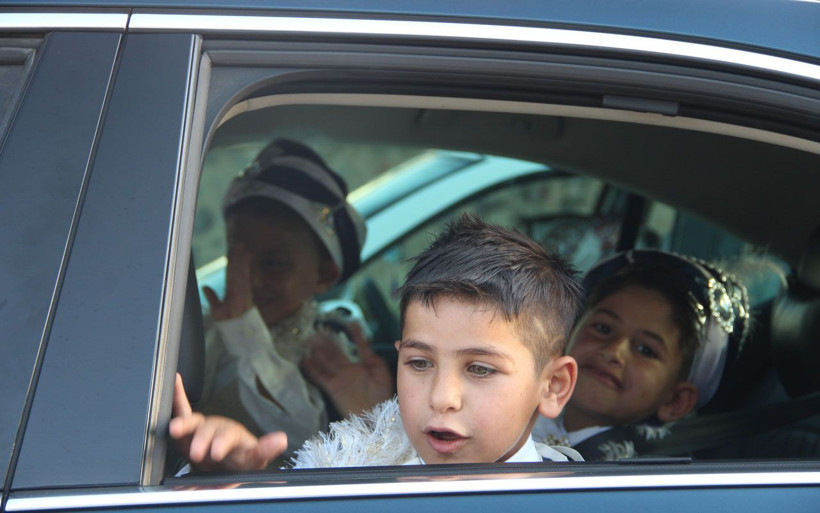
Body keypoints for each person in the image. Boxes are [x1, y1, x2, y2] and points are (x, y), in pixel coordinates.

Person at [171, 214, 585, 469]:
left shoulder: (585, 496)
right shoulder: (350, 469)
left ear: (553, 386)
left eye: (479, 368)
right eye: (419, 363)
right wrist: (242, 480)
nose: (442, 398)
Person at [195, 138, 391, 462]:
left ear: (323, 276)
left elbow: (297, 436)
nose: (251, 279)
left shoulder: (326, 353)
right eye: (238, 260)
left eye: (274, 264)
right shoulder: (203, 333)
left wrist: (246, 335)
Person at [532, 249, 750, 460]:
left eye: (646, 350)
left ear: (676, 401)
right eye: (603, 328)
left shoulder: (651, 477)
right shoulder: (518, 411)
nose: (613, 351)